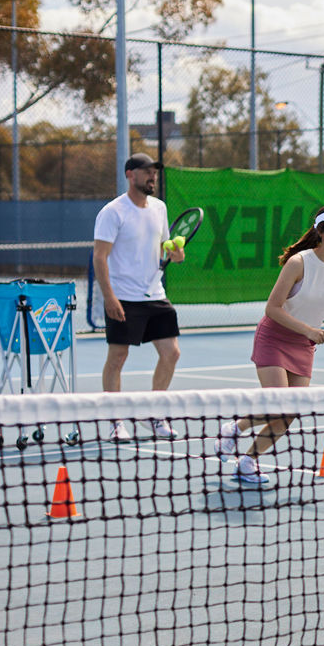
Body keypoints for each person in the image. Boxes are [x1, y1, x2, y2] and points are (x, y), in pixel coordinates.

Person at [214, 204, 324, 485]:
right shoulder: (299, 263)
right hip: (274, 337)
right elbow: (272, 308)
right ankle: (234, 428)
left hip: (303, 346)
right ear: (322, 232)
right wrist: (310, 330)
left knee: (290, 412)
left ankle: (247, 463)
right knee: (278, 403)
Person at [92, 152, 184, 442]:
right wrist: (109, 297)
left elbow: (165, 245)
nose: (152, 176)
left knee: (171, 353)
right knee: (118, 357)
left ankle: (153, 414)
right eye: (146, 171)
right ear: (130, 175)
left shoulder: (159, 208)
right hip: (123, 296)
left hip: (155, 294)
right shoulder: (113, 212)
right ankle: (115, 421)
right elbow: (100, 257)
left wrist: (175, 253)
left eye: (155, 172)